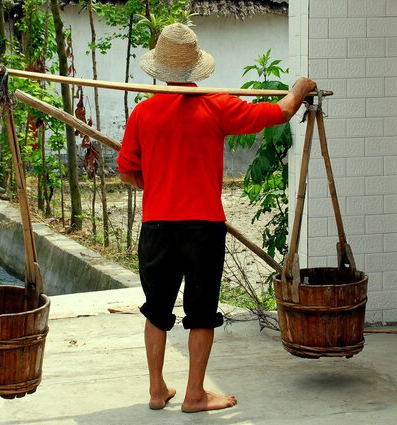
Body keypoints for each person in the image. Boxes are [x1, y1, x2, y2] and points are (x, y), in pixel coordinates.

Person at [117, 23, 316, 413]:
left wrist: (154, 183)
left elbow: (126, 171)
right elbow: (279, 113)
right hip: (203, 228)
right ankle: (194, 395)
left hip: (157, 226)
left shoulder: (143, 113)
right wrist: (299, 88)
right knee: (201, 311)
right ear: (195, 69)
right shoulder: (218, 105)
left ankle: (157, 391)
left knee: (156, 309)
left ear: (159, 69)